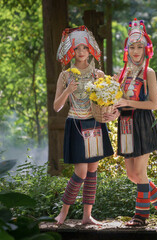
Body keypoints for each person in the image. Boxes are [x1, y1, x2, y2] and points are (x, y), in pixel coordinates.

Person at [105, 18, 157, 226]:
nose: (136, 51)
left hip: (143, 123)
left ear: (146, 49)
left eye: (140, 46)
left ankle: (141, 217)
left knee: (140, 172)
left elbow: (154, 104)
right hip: (125, 124)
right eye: (132, 47)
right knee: (131, 175)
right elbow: (119, 103)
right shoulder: (122, 74)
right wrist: (114, 113)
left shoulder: (149, 73)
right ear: (127, 49)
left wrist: (128, 102)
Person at [54, 26, 114, 225]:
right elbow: (56, 107)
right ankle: (63, 212)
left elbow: (107, 101)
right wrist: (67, 90)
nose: (81, 52)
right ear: (72, 51)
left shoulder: (98, 73)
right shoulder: (65, 75)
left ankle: (87, 215)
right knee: (80, 171)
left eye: (84, 48)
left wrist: (103, 86)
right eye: (77, 48)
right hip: (76, 123)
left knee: (92, 170)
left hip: (94, 123)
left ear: (90, 50)